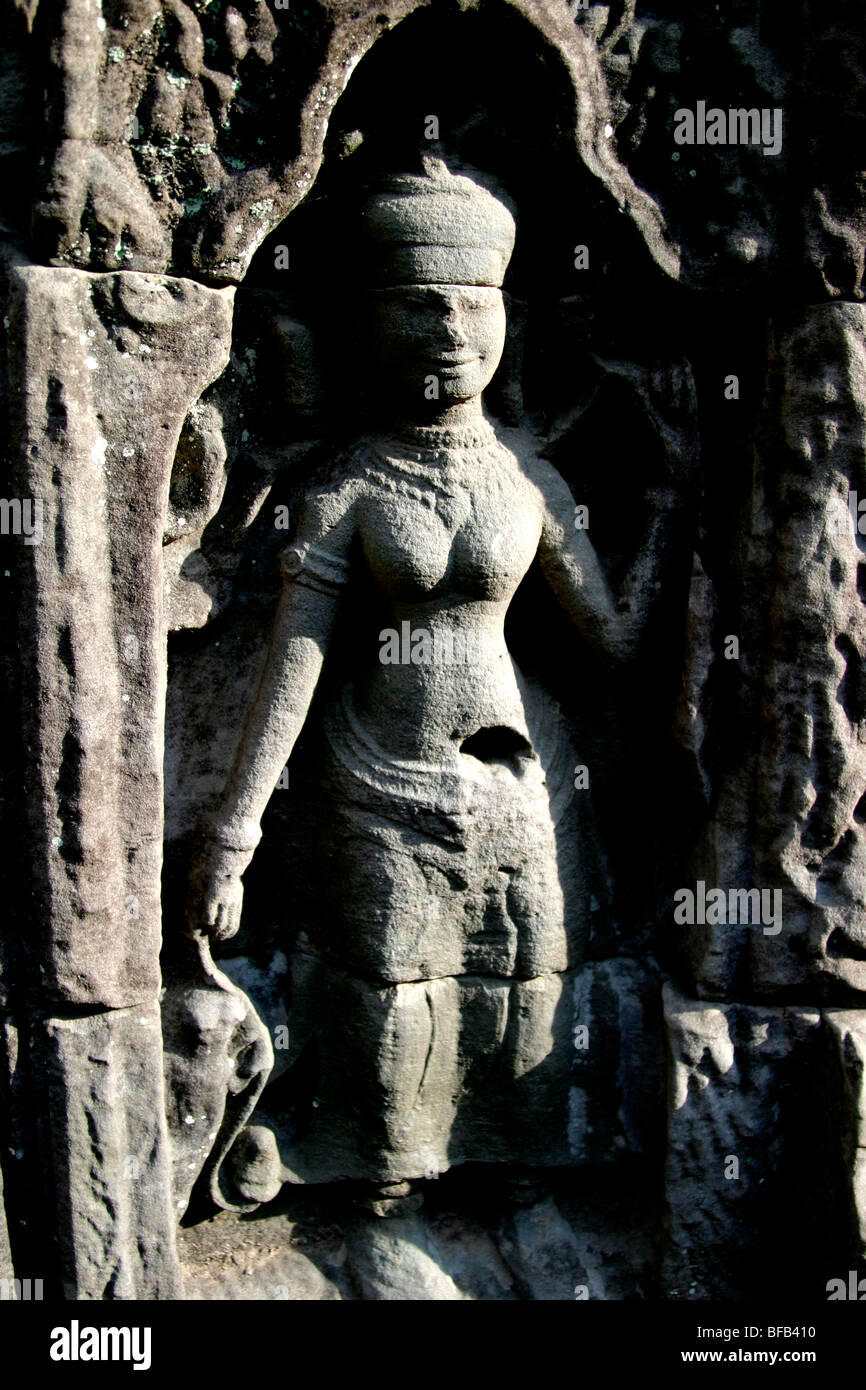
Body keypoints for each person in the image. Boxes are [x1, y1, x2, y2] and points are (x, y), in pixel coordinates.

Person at [189, 155, 659, 1194]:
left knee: (524, 999)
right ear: (371, 325)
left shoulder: (526, 477)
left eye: (471, 307)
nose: (449, 332)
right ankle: (375, 1185)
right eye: (418, 308)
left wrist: (672, 507)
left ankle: (515, 1182)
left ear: (505, 317)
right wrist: (235, 831)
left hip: (516, 786)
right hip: (376, 782)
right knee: (386, 1010)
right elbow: (292, 663)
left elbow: (614, 642)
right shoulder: (347, 484)